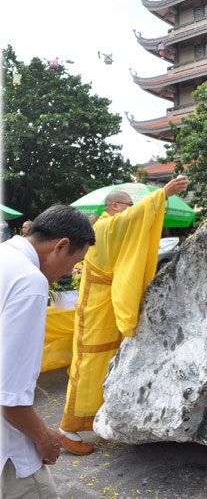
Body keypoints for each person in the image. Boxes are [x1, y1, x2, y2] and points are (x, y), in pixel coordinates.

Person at [59, 177, 189, 455]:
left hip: (106, 304)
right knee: (89, 364)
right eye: (129, 205)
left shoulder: (107, 225)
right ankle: (66, 430)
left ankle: (100, 418)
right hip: (96, 309)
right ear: (116, 206)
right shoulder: (105, 225)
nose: (132, 209)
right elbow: (130, 221)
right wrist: (161, 194)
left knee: (107, 361)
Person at [0, 204, 95, 498]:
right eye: (75, 261)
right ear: (61, 245)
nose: (71, 271)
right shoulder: (30, 282)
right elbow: (9, 398)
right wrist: (46, 438)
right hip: (10, 450)